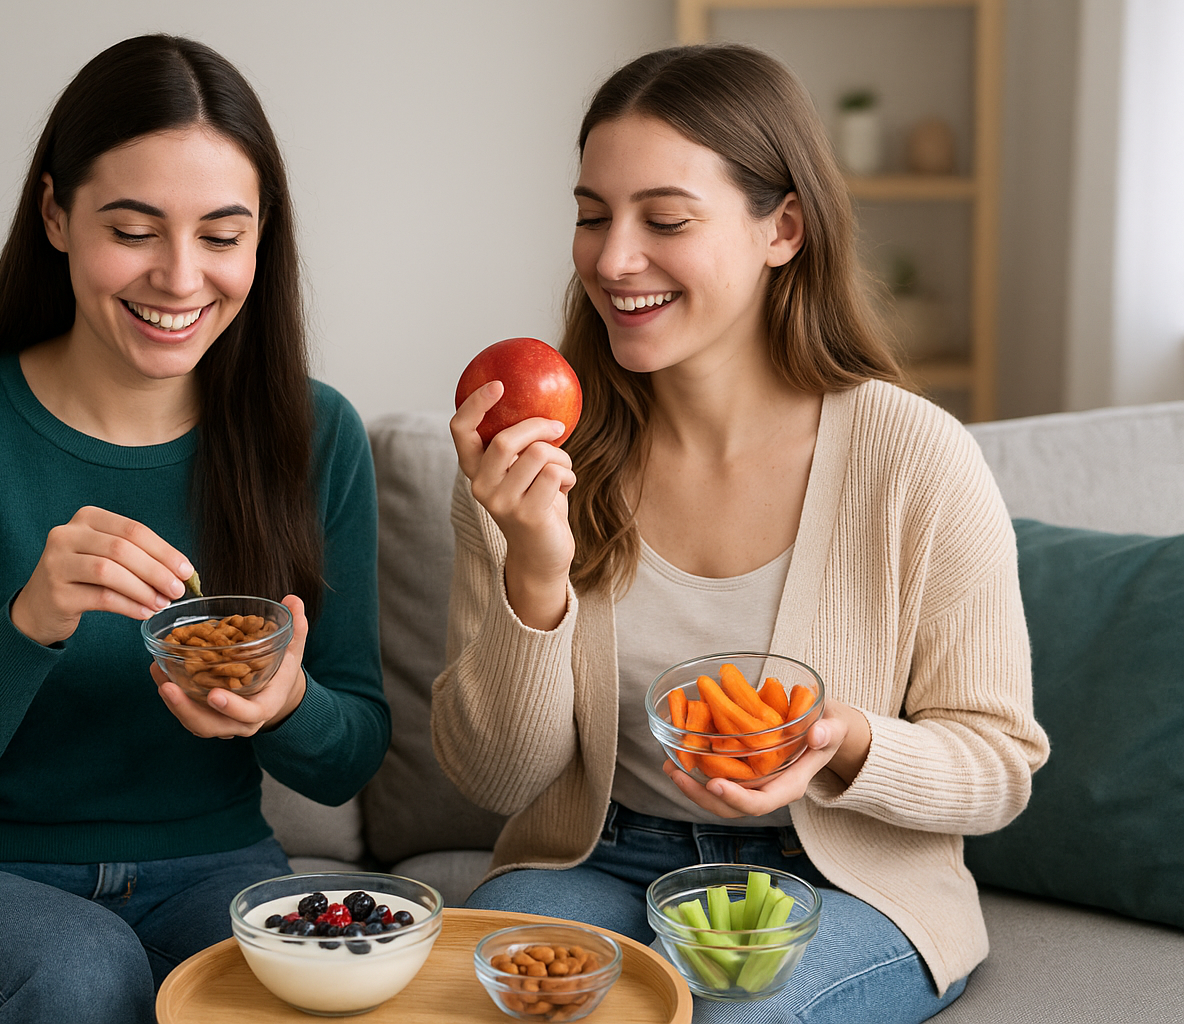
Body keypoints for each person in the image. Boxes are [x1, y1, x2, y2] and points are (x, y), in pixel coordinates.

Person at [433, 43, 1048, 1024]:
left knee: (731, 1016)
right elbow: (495, 777)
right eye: (592, 215)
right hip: (600, 860)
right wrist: (536, 574)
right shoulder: (534, 457)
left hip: (839, 878)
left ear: (784, 228)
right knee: (484, 995)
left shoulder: (911, 456)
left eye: (664, 219)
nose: (611, 256)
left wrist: (848, 745)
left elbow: (1000, 766)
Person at [0, 34, 388, 1024]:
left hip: (215, 866)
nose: (180, 278)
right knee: (85, 972)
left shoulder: (316, 434)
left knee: (322, 975)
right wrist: (29, 621)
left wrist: (287, 698)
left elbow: (348, 755)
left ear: (264, 240)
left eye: (222, 236)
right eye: (134, 229)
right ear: (56, 214)